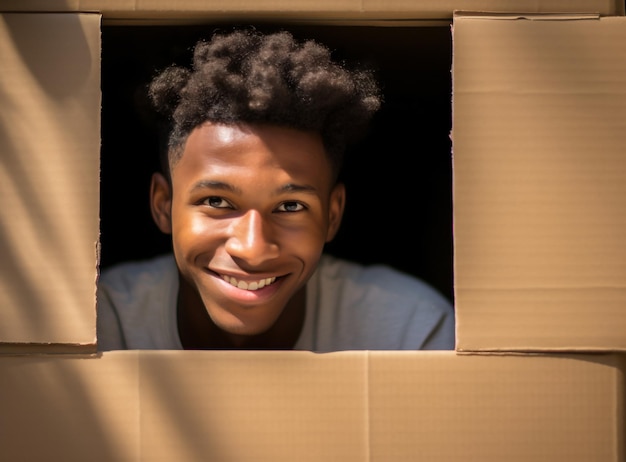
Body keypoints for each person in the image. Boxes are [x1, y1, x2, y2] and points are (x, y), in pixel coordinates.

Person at [96, 28, 455, 352]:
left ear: (332, 216)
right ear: (163, 205)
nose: (252, 249)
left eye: (290, 206)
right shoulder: (106, 324)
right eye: (217, 201)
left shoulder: (409, 331)